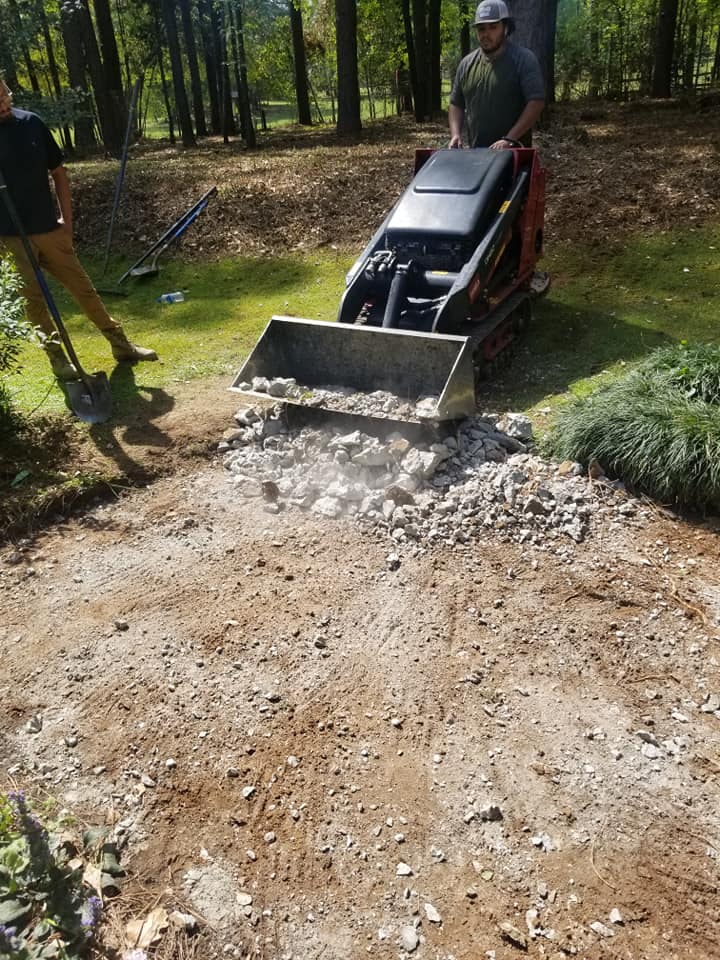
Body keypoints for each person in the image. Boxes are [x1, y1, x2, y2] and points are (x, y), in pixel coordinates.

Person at [0, 77, 157, 381]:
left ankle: (120, 344)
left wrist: (66, 223)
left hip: (49, 230)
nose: (4, 104)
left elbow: (58, 173)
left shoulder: (31, 124)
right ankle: (58, 359)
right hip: (10, 238)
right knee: (33, 304)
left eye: (5, 96)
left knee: (84, 290)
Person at [448, 0, 545, 150]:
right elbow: (456, 103)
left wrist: (509, 138)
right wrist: (456, 134)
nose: (486, 34)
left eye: (493, 27)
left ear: (505, 28)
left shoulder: (523, 59)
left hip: (514, 155)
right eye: (481, 29)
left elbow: (536, 102)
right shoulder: (466, 64)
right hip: (476, 154)